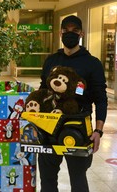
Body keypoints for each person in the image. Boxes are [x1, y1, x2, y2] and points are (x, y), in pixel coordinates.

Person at [38, 15, 108, 192]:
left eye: (74, 30)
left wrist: (98, 131)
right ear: (60, 33)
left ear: (81, 33)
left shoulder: (92, 63)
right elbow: (42, 93)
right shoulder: (51, 60)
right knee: (47, 179)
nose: (70, 33)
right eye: (66, 30)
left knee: (77, 179)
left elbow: (101, 99)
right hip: (49, 127)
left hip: (78, 128)